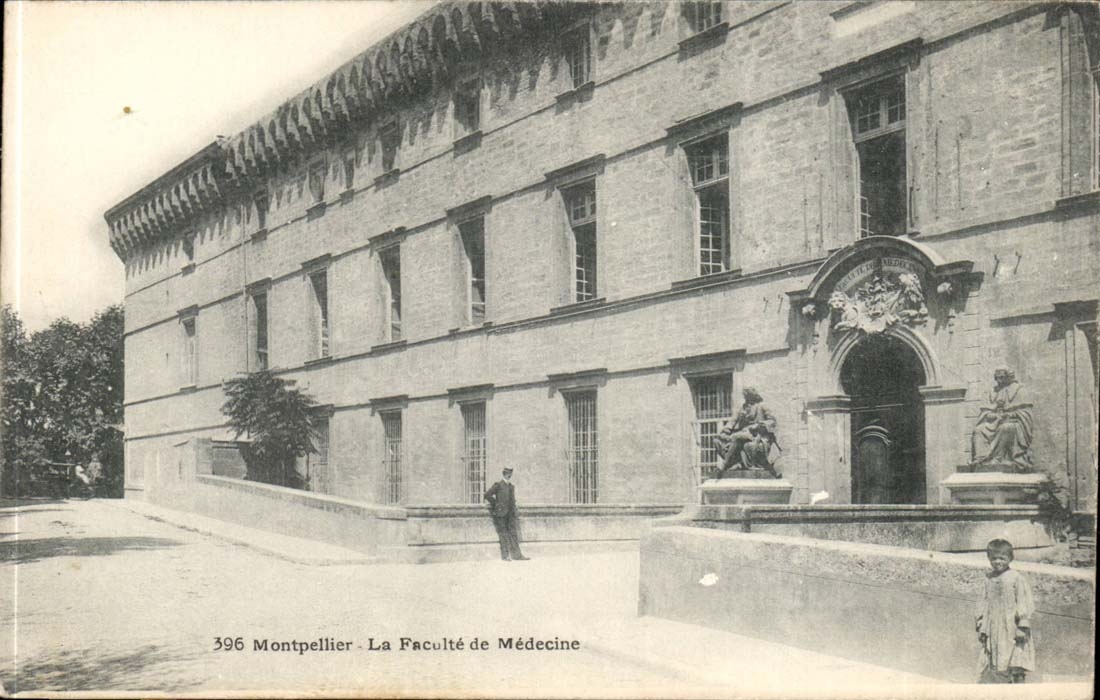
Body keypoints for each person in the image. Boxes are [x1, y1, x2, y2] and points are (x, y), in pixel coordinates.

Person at [975, 539, 1035, 684]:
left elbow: (1024, 601)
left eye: (1002, 558)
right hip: (994, 628)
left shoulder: (1016, 578)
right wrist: (981, 623)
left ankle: (1018, 687)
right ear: (989, 559)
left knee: (1016, 659)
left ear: (1010, 558)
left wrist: (1022, 625)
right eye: (994, 558)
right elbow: (982, 601)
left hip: (1012, 628)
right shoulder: (988, 579)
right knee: (996, 661)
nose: (998, 562)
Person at [971, 367, 1034, 471]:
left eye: (1002, 377)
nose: (999, 380)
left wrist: (1011, 414)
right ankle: (981, 459)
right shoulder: (993, 391)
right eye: (997, 378)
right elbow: (985, 412)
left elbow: (1026, 412)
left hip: (1014, 424)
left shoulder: (1019, 390)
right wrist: (991, 414)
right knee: (979, 430)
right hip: (994, 422)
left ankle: (997, 458)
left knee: (1006, 428)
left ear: (1009, 377)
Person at [715, 387, 778, 476]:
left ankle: (724, 465)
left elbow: (772, 421)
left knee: (737, 437)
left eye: (747, 396)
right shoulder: (743, 407)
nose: (745, 399)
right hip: (745, 433)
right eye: (745, 397)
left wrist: (758, 425)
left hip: (757, 435)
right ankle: (735, 463)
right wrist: (725, 430)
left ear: (752, 395)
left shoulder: (762, 406)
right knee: (718, 440)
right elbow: (733, 421)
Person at [484, 467, 529, 561]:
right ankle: (505, 556)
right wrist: (496, 504)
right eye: (507, 473)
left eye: (510, 474)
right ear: (504, 474)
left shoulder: (511, 486)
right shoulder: (498, 485)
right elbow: (487, 495)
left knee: (513, 534)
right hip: (501, 514)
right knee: (503, 534)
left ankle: (517, 555)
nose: (509, 475)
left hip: (510, 514)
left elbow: (512, 500)